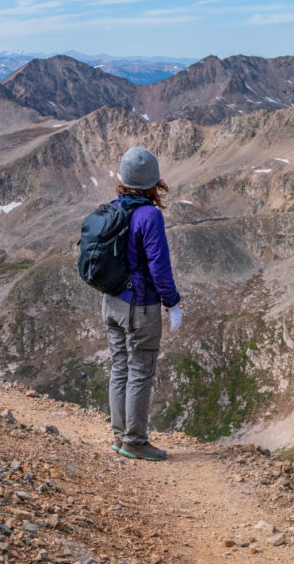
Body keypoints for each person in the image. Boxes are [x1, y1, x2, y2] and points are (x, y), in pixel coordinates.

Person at [102, 147, 182, 461]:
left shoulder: (111, 208)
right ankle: (134, 440)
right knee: (140, 371)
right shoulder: (150, 215)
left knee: (119, 367)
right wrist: (172, 304)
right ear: (153, 181)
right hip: (140, 306)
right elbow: (159, 267)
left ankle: (121, 437)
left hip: (110, 301)